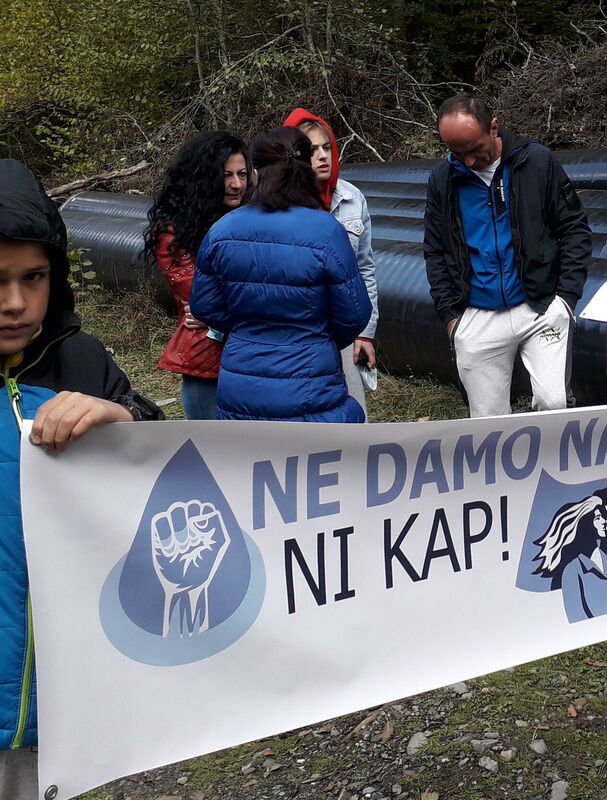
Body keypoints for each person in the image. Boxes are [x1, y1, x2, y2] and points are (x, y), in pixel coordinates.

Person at [0, 159, 163, 793]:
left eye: (33, 277)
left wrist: (123, 420)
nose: (16, 303)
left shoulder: (79, 357)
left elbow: (165, 472)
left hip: (67, 701)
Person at [424, 95, 591, 418]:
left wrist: (566, 299)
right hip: (476, 313)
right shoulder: (443, 179)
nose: (468, 161)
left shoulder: (535, 161)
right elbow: (435, 249)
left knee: (554, 405)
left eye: (474, 149)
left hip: (539, 305)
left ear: (494, 127)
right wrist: (451, 317)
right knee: (488, 422)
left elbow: (574, 228)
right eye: (457, 152)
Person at [190, 126, 371, 422]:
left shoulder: (222, 230)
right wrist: (318, 337)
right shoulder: (327, 231)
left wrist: (246, 330)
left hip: (241, 386)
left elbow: (204, 306)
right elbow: (355, 311)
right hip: (313, 383)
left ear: (255, 173)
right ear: (306, 170)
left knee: (244, 451)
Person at [283, 108, 380, 416]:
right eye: (312, 150)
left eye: (327, 147)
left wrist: (365, 332)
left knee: (352, 415)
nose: (323, 156)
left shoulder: (352, 198)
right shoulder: (279, 205)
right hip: (295, 334)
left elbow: (364, 269)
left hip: (342, 329)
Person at [145, 131, 248, 419]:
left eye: (242, 174)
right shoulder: (172, 231)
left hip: (251, 356)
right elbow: (202, 298)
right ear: (203, 177)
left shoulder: (252, 219)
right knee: (211, 444)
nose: (237, 184)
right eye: (226, 175)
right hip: (207, 357)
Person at [531, 486, 607, 622]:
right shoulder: (573, 570)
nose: (604, 521)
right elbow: (576, 615)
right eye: (598, 518)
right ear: (586, 524)